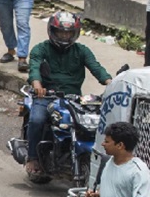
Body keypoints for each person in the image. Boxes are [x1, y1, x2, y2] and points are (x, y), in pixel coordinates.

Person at [21, 12, 112, 177]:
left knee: (91, 125)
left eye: (68, 33)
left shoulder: (82, 51)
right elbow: (34, 67)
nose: (64, 36)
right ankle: (32, 157)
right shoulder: (40, 49)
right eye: (61, 32)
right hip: (46, 96)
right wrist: (37, 85)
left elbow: (97, 68)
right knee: (37, 120)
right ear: (52, 31)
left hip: (74, 98)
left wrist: (111, 83)